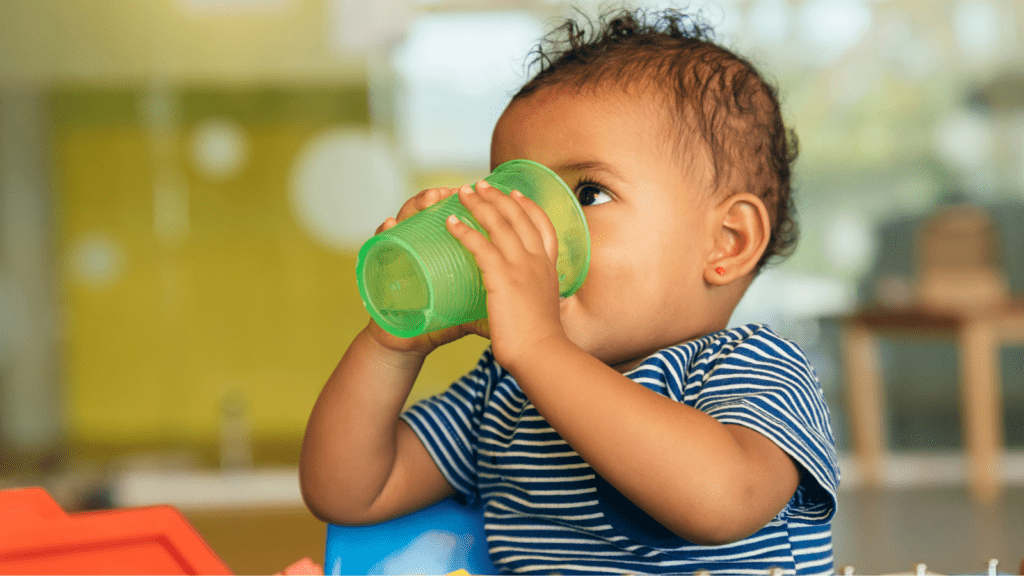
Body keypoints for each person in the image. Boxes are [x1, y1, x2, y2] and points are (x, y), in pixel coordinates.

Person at [300, 5, 839, 575]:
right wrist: (390, 345)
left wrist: (537, 348)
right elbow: (350, 492)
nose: (541, 235)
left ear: (728, 242)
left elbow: (722, 500)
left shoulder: (753, 366)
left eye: (587, 195)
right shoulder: (505, 393)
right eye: (519, 199)